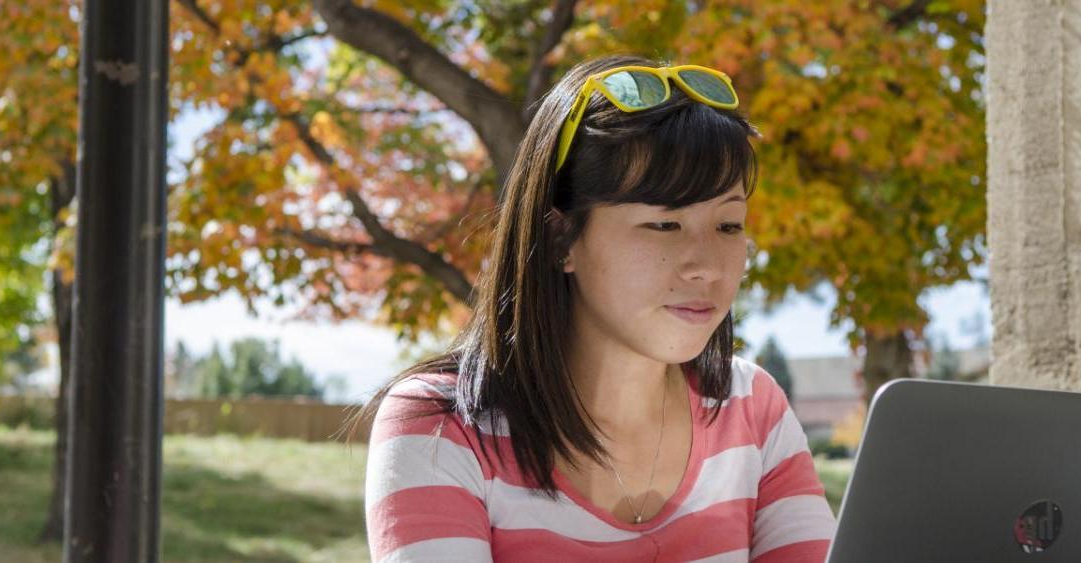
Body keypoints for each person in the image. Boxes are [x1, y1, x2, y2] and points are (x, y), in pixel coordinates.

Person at [353, 54, 837, 561]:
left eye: (729, 226)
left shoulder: (753, 408)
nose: (709, 268)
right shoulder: (442, 428)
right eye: (664, 224)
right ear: (561, 238)